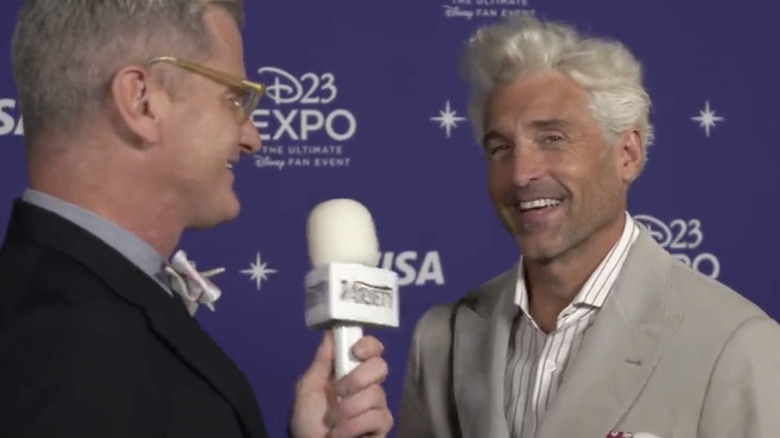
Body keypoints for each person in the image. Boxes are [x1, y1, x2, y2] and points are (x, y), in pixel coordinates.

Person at [0, 1, 392, 438]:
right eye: (234, 98)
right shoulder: (65, 345)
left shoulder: (69, 312)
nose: (253, 138)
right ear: (142, 102)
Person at [397, 12, 780, 438]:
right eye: (501, 147)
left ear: (628, 155)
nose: (521, 172)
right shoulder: (441, 341)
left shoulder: (737, 344)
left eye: (553, 138)